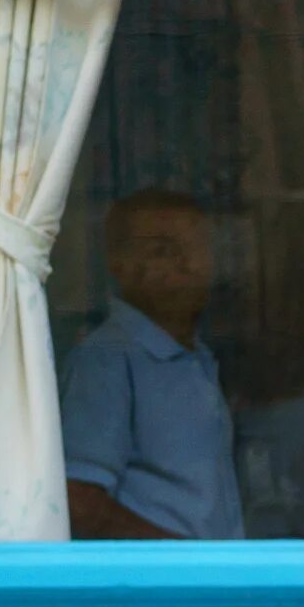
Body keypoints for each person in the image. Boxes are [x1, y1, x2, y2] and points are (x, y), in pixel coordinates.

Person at [61, 190, 244, 541]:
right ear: (120, 265)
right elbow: (79, 500)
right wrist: (183, 561)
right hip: (160, 590)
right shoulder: (107, 359)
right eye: (165, 250)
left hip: (213, 586)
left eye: (201, 248)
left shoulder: (195, 356)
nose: (192, 266)